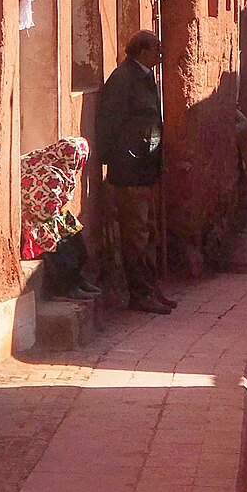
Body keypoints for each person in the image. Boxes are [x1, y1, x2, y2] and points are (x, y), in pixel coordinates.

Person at [97, 30, 176, 315]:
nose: (160, 53)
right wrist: (118, 160)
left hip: (145, 168)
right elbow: (111, 125)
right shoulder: (123, 80)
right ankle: (140, 294)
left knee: (148, 231)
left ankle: (150, 288)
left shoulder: (143, 78)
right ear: (142, 51)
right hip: (131, 171)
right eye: (156, 48)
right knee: (136, 234)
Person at [21, 137, 102, 301]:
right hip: (33, 220)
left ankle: (77, 280)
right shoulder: (51, 173)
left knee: (74, 233)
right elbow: (44, 211)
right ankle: (65, 287)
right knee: (62, 245)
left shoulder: (57, 166)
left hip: (44, 215)